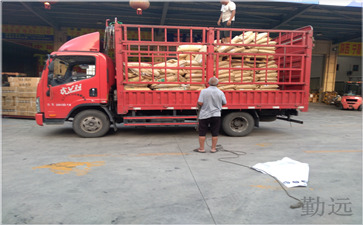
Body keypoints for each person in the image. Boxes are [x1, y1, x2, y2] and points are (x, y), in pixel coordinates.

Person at [195, 77, 227, 153]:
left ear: (208, 83)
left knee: (202, 132)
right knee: (215, 132)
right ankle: (213, 149)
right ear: (217, 84)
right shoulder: (220, 92)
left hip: (204, 115)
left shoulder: (203, 91)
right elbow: (224, 102)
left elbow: (200, 102)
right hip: (216, 114)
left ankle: (202, 149)